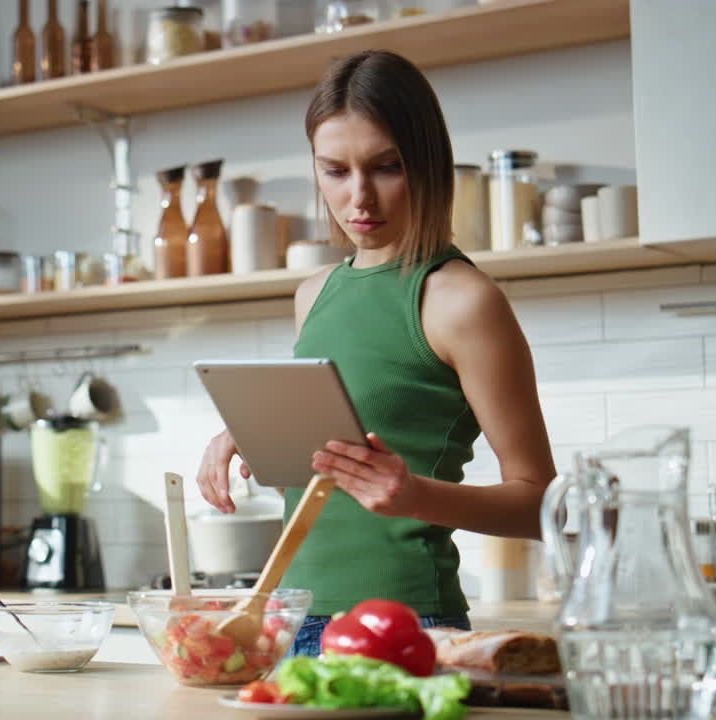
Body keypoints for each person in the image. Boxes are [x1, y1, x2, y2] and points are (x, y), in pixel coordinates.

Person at [195, 50, 556, 657]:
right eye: (334, 171)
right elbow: (336, 450)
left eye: (385, 167)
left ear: (426, 163)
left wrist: (417, 496)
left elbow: (542, 503)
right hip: (292, 619)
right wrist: (249, 431)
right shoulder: (314, 294)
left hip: (406, 622)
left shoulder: (460, 300)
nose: (359, 197)